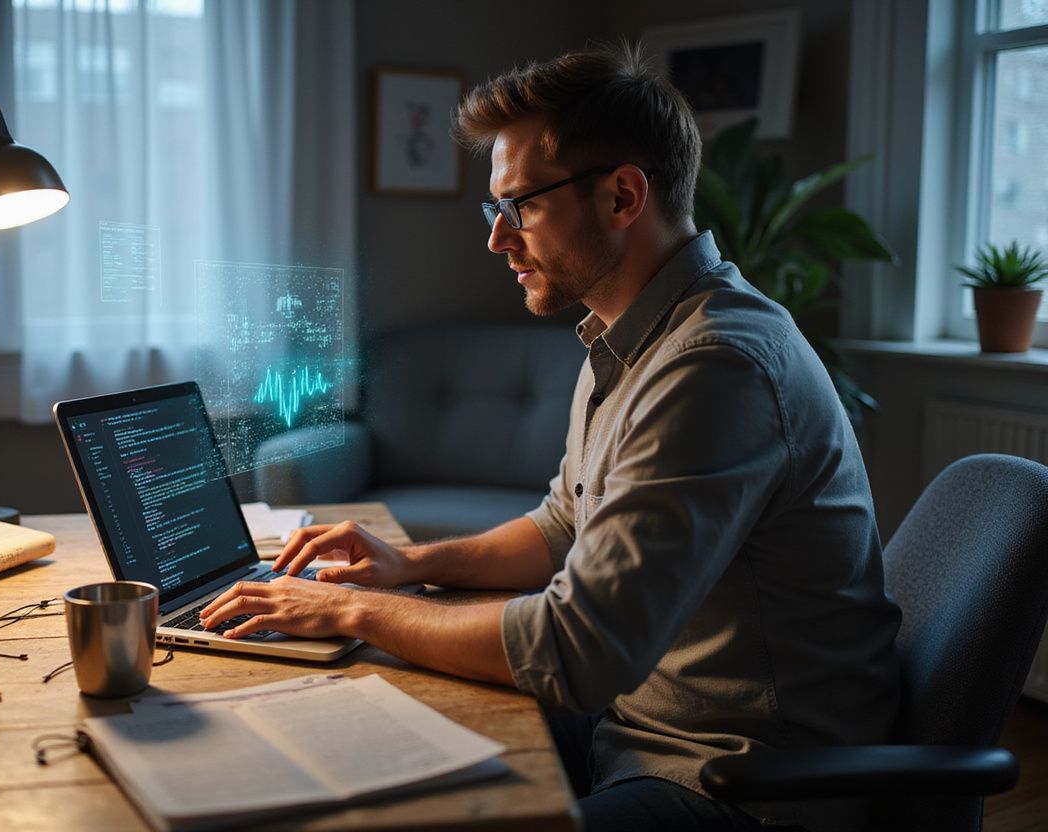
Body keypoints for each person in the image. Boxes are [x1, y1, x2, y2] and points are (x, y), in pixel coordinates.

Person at [201, 41, 901, 832]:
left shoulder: (716, 367)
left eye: (522, 206)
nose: (498, 239)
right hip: (636, 727)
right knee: (356, 728)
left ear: (623, 197)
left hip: (741, 782)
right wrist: (410, 565)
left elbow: (577, 648)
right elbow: (563, 525)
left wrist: (354, 611)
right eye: (495, 209)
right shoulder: (625, 333)